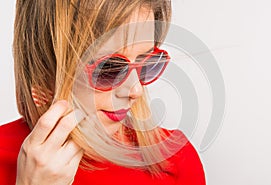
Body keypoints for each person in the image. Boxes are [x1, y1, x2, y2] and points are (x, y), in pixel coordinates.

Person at [0, 0, 206, 184]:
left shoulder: (175, 159)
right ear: (46, 67)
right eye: (110, 68)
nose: (136, 91)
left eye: (147, 63)